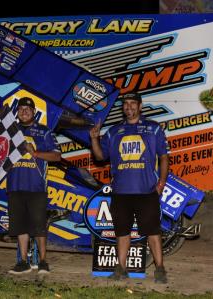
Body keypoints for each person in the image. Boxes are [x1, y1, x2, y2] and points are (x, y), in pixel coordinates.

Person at [89, 92, 169, 283]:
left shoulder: (153, 128)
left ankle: (160, 269)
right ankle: (121, 269)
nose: (129, 107)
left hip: (147, 191)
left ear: (140, 106)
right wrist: (94, 139)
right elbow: (100, 157)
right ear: (123, 108)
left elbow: (164, 157)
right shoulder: (114, 131)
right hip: (121, 192)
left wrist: (161, 184)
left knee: (153, 231)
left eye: (133, 103)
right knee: (122, 232)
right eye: (125, 104)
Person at [7, 97, 61, 275]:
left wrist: (35, 152)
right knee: (20, 226)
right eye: (21, 109)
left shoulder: (44, 131)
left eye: (27, 109)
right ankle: (23, 262)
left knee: (39, 227)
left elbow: (56, 157)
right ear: (17, 112)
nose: (24, 112)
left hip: (36, 187)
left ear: (33, 112)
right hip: (15, 186)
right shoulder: (11, 131)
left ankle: (43, 261)